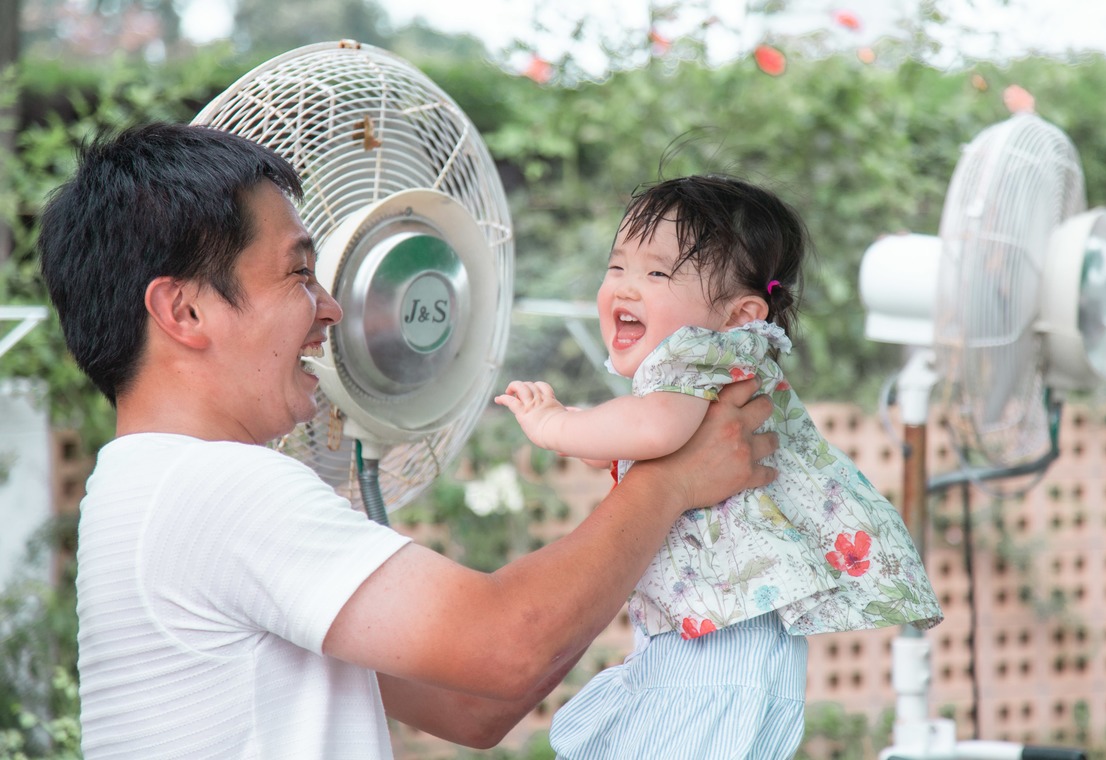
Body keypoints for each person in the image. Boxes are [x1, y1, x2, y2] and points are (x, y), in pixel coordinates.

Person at [37, 124, 782, 759]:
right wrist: (671, 481)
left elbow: (477, 704)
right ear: (186, 311)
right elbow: (503, 646)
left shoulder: (147, 490)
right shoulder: (214, 489)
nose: (330, 308)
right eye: (299, 274)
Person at [496, 174, 943, 759]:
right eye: (617, 267)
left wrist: (557, 425)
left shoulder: (699, 354)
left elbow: (655, 428)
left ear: (739, 314)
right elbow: (650, 432)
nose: (627, 287)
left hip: (717, 648)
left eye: (657, 273)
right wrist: (597, 434)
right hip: (727, 636)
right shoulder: (716, 367)